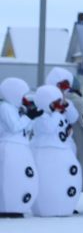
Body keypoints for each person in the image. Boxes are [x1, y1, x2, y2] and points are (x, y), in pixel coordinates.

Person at [30, 85, 82, 217]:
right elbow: (49, 128)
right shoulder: (40, 115)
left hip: (62, 151)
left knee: (62, 180)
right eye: (55, 103)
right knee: (48, 181)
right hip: (45, 153)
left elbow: (68, 124)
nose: (58, 106)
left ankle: (64, 205)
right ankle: (47, 207)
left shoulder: (57, 115)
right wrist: (58, 113)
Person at [46, 67, 83, 194]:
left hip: (65, 142)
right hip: (68, 141)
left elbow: (75, 117)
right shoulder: (75, 100)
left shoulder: (64, 101)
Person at [0, 77, 39, 217]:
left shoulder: (16, 108)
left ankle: (16, 205)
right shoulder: (5, 107)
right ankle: (6, 206)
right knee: (9, 178)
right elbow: (15, 127)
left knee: (20, 178)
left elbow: (25, 129)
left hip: (20, 147)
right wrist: (28, 116)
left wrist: (32, 117)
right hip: (9, 147)